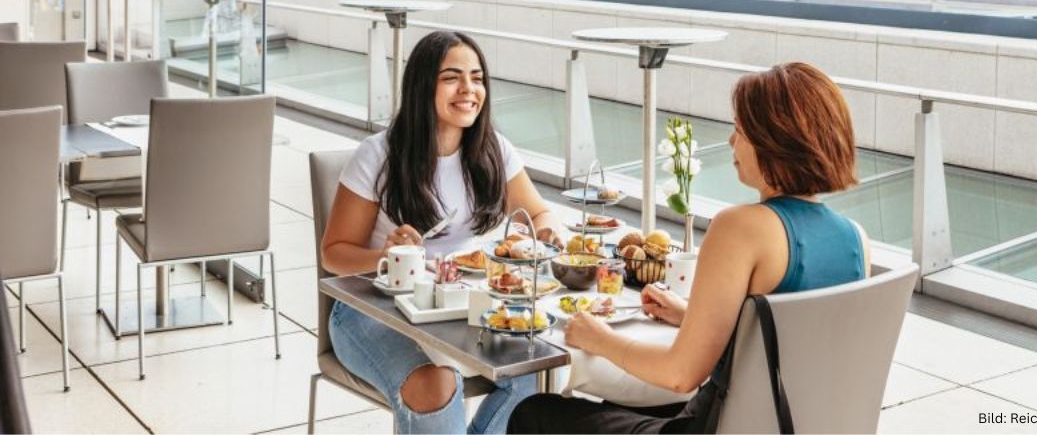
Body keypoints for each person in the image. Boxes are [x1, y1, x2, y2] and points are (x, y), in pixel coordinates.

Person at [508, 62, 869, 434]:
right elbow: (795, 342)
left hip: (715, 427)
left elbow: (680, 374)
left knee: (535, 414)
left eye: (740, 130)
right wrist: (693, 316)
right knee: (617, 407)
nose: (732, 141)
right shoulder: (856, 239)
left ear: (774, 141)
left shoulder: (741, 228)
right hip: (792, 424)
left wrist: (600, 338)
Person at [321, 30, 562, 434]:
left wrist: (543, 236)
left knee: (532, 374)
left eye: (477, 77)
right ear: (422, 85)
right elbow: (334, 253)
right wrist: (386, 256)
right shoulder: (379, 156)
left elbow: (539, 214)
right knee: (435, 384)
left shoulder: (493, 151)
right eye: (452, 77)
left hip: (457, 308)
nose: (469, 89)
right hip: (371, 312)